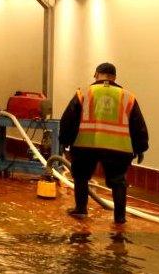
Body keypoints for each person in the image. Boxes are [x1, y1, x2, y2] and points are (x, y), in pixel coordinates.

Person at [60, 62, 148, 224]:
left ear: (96, 74)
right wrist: (140, 148)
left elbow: (68, 119)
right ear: (114, 77)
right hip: (118, 147)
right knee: (118, 181)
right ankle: (120, 218)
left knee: (81, 176)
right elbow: (138, 125)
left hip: (86, 145)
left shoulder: (83, 93)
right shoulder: (128, 97)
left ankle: (81, 209)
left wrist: (64, 141)